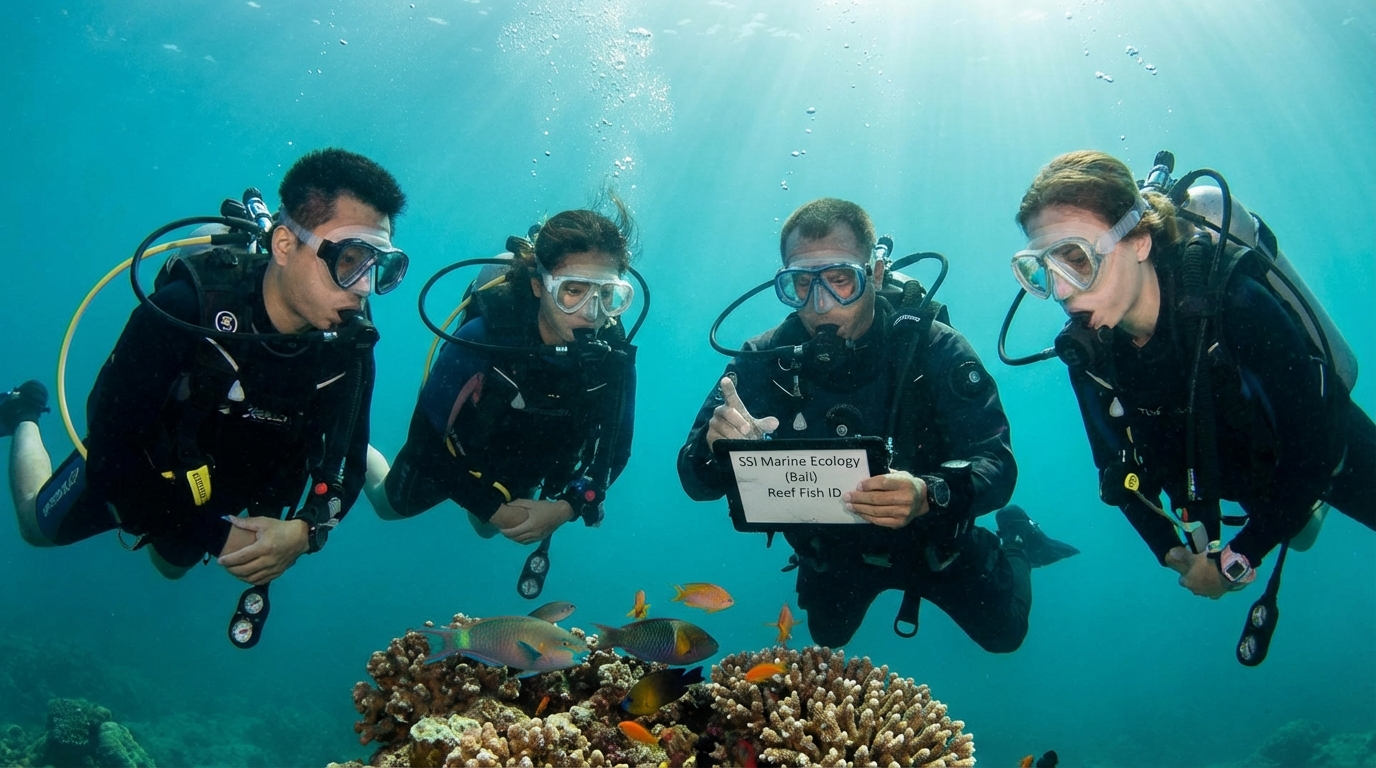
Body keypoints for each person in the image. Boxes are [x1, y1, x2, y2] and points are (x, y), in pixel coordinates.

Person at [677, 198, 1077, 651]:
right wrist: (717, 450)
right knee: (827, 638)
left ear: (876, 273)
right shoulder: (762, 361)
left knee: (1006, 634)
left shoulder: (935, 348)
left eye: (840, 280)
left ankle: (1017, 537)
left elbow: (997, 463)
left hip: (934, 543)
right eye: (801, 284)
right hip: (834, 553)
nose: (820, 304)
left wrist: (929, 494)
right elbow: (694, 481)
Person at [1, 147, 407, 587]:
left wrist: (306, 532)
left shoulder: (348, 343)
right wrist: (216, 535)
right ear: (284, 245)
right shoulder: (183, 311)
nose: (364, 289)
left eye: (381, 267)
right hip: (146, 471)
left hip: (227, 481)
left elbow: (349, 465)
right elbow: (109, 458)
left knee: (172, 568)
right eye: (349, 259)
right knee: (35, 527)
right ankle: (25, 410)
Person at [1011, 150, 1373, 599]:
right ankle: (1303, 511)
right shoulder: (1092, 356)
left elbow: (1314, 448)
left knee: (1319, 489)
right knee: (1299, 531)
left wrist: (1238, 559)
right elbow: (1115, 471)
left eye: (1077, 259)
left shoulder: (1236, 305)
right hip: (1244, 473)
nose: (1062, 291)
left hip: (1325, 447)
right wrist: (1167, 549)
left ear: (1138, 241)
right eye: (1042, 271)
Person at [364, 202, 638, 596]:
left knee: (488, 531)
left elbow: (615, 453)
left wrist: (565, 508)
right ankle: (359, 451)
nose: (591, 313)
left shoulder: (613, 356)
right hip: (452, 455)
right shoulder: (483, 336)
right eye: (573, 291)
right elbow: (424, 440)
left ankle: (486, 515)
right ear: (538, 285)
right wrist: (489, 506)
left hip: (523, 464)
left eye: (608, 294)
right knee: (387, 506)